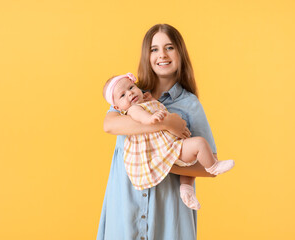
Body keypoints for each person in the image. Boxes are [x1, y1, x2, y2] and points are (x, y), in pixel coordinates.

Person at [97, 24, 226, 240]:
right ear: (146, 56)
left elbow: (210, 167)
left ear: (180, 53)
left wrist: (160, 164)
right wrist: (166, 124)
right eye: (154, 49)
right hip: (124, 208)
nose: (162, 55)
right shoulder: (129, 94)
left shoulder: (189, 104)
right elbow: (109, 125)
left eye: (169, 47)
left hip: (169, 214)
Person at [102, 73, 234, 210]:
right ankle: (213, 166)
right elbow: (142, 117)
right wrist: (153, 120)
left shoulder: (150, 102)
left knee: (190, 164)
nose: (129, 94)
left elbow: (157, 107)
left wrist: (151, 100)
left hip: (171, 145)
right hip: (164, 149)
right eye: (122, 95)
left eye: (131, 87)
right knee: (199, 144)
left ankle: (187, 189)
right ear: (117, 107)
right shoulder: (134, 109)